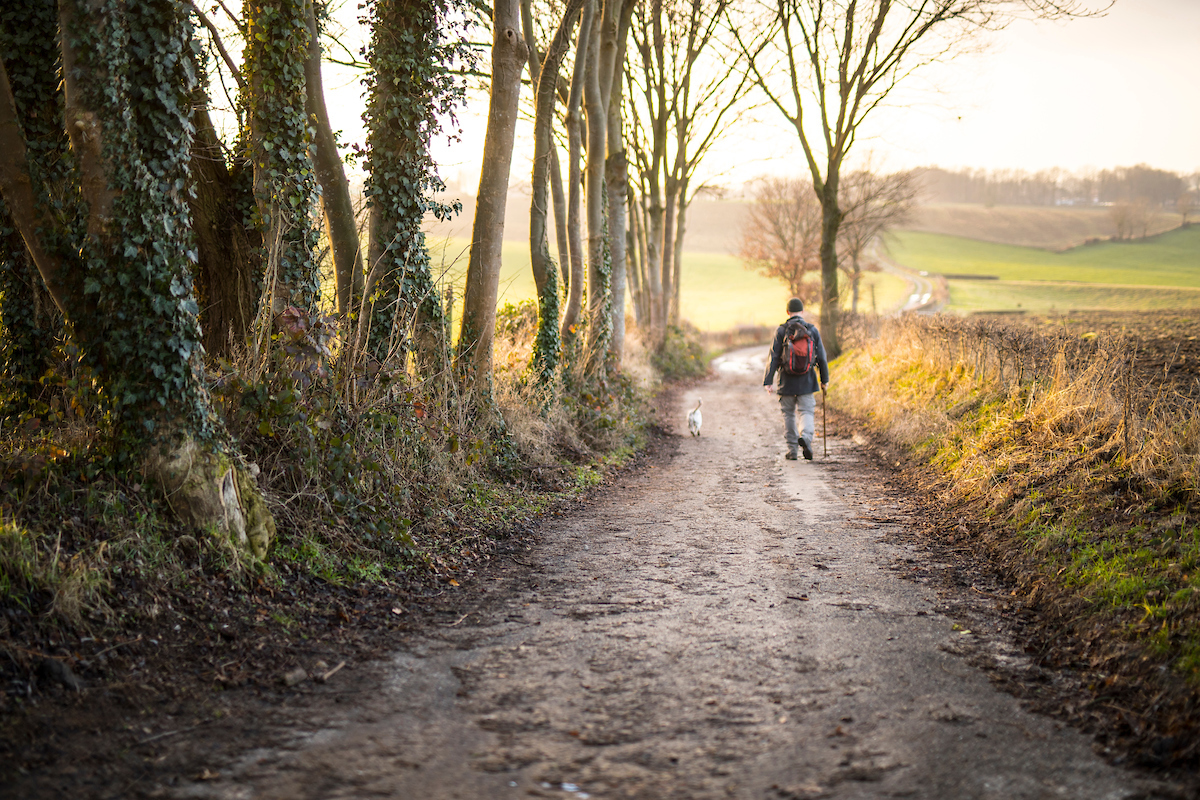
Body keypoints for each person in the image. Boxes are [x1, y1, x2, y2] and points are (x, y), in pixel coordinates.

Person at [763, 298, 829, 460]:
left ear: (787, 312)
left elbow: (774, 356)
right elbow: (821, 357)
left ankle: (792, 450)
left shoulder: (781, 330)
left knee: (788, 414)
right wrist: (824, 379)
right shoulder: (811, 330)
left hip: (786, 381)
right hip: (807, 380)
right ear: (802, 311)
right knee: (806, 411)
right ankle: (806, 437)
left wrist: (768, 381)